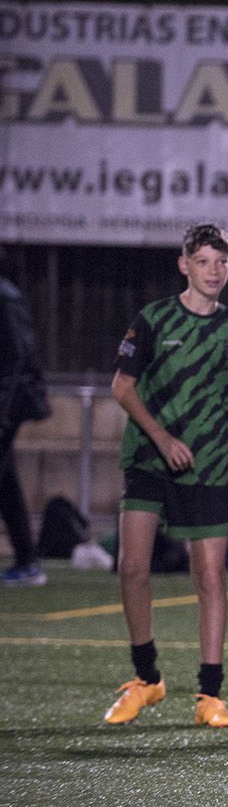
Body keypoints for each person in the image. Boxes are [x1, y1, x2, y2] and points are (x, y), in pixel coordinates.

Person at [103, 223, 228, 727]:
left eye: (222, 262)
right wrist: (162, 438)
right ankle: (147, 679)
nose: (214, 271)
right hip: (148, 459)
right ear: (184, 264)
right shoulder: (153, 319)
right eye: (204, 261)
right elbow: (122, 386)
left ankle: (210, 695)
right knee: (132, 567)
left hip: (208, 465)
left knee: (210, 577)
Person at [0, 248, 50, 587]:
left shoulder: (5, 297)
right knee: (6, 484)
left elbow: (17, 356)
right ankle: (28, 562)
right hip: (8, 403)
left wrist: (2, 408)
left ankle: (28, 562)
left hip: (8, 404)